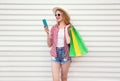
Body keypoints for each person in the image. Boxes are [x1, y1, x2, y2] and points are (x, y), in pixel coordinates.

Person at [44, 7, 72, 81]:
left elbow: (69, 42)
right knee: (55, 79)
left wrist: (66, 29)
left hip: (65, 54)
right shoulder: (54, 28)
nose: (57, 16)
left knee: (64, 78)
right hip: (55, 54)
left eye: (58, 14)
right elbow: (49, 45)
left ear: (64, 15)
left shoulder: (69, 27)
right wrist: (47, 34)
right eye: (55, 15)